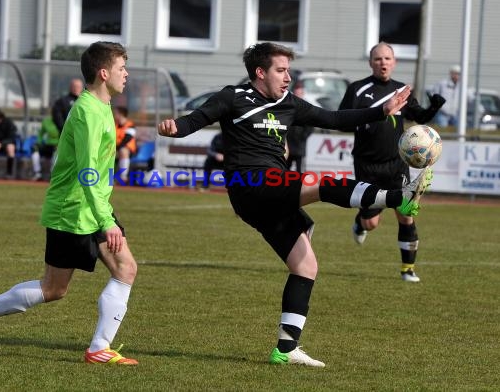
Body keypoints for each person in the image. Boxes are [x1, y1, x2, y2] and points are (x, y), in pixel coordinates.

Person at [158, 42, 433, 367]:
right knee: (324, 183)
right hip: (251, 185)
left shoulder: (288, 103)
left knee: (306, 268)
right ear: (260, 73)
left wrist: (380, 111)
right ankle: (400, 197)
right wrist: (175, 127)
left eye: (288, 70)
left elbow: (333, 117)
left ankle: (286, 350)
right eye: (281, 70)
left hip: (271, 194)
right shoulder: (233, 97)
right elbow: (197, 119)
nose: (288, 77)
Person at [0, 41, 139, 365]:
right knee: (53, 289)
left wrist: (104, 213)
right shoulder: (86, 112)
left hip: (91, 207)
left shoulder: (101, 106)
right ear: (103, 72)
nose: (126, 74)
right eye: (122, 68)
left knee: (126, 268)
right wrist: (106, 220)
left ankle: (99, 346)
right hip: (72, 210)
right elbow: (85, 172)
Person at [338, 42, 445, 283]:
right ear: (370, 62)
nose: (383, 62)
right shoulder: (357, 89)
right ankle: (361, 223)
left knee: (406, 213)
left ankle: (408, 269)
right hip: (367, 165)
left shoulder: (402, 92)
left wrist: (434, 107)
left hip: (397, 164)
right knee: (372, 222)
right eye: (378, 59)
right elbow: (342, 120)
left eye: (387, 58)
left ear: (394, 62)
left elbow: (420, 117)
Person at [31, 115, 60, 181]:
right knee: (35, 153)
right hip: (48, 144)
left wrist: (59, 144)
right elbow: (41, 134)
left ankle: (53, 175)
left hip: (58, 145)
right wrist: (38, 143)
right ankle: (37, 173)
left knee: (56, 154)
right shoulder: (46, 121)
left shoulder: (64, 120)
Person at [112, 105, 137, 183]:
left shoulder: (130, 125)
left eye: (115, 113)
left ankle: (123, 177)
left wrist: (116, 149)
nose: (114, 115)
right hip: (115, 148)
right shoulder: (114, 125)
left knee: (123, 150)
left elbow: (127, 139)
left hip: (128, 150)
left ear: (121, 115)